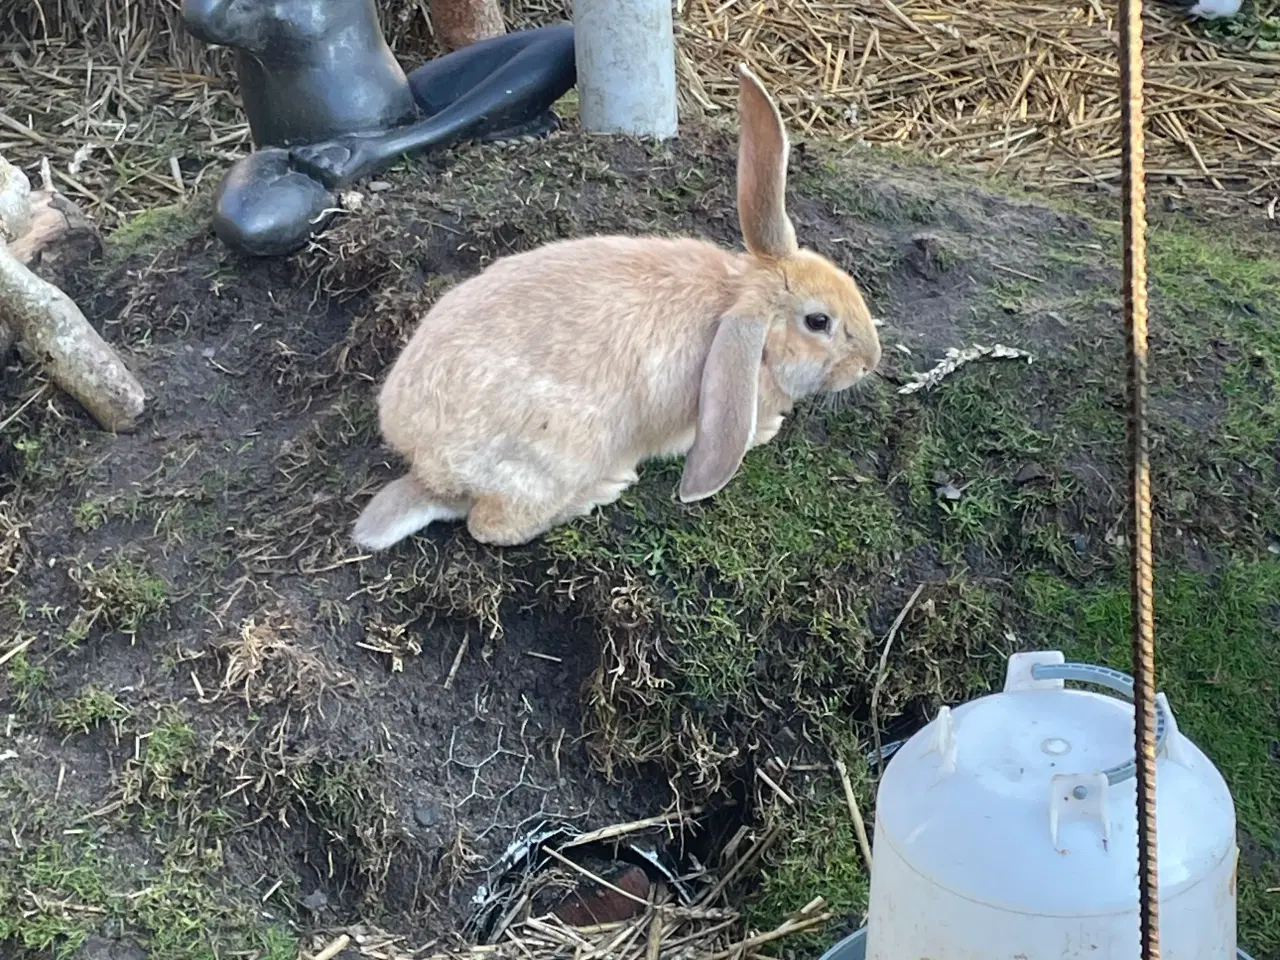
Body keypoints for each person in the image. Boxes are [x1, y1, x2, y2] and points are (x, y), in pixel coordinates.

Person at [181, 0, 576, 256]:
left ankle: (401, 146)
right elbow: (205, 14)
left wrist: (379, 149)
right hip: (302, 156)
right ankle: (430, 138)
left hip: (405, 105)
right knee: (251, 222)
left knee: (565, 42)